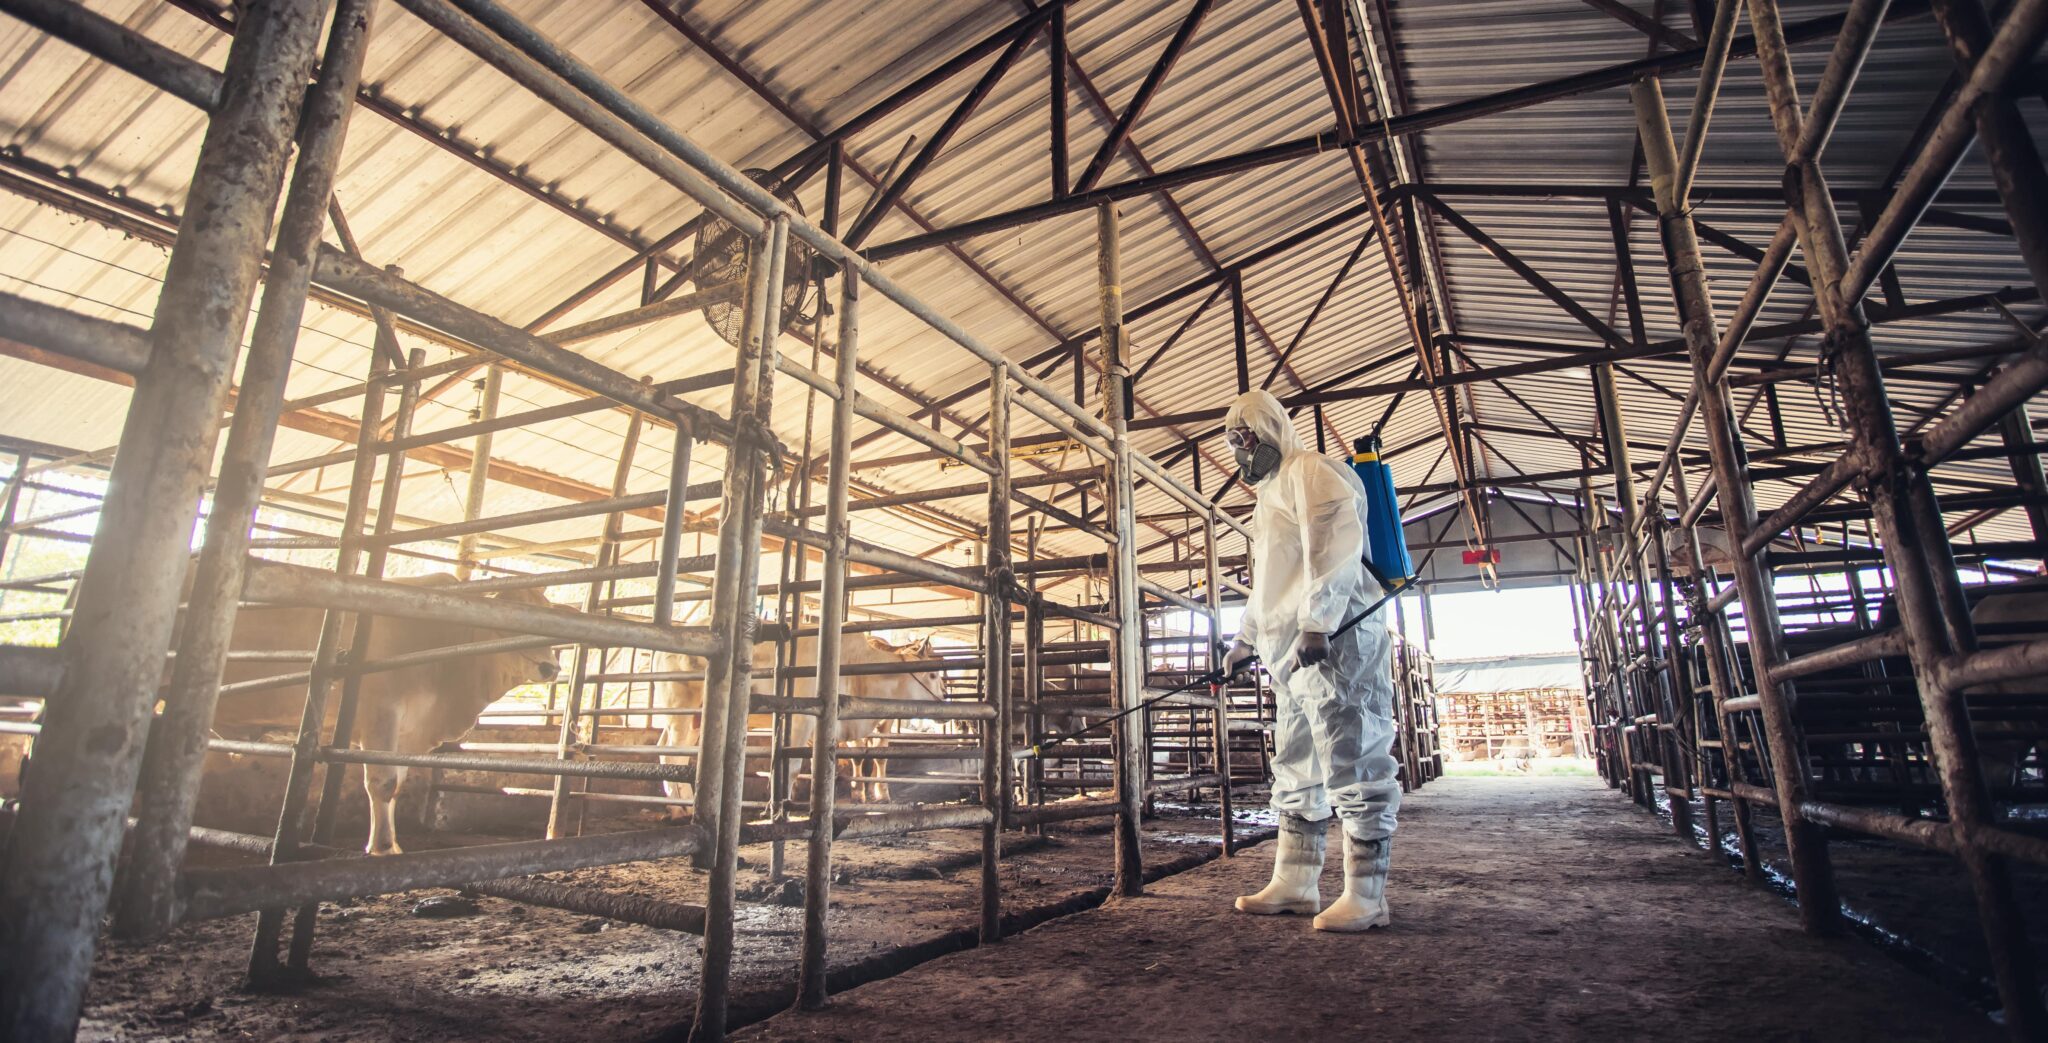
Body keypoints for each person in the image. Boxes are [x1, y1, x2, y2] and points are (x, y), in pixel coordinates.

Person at [1221, 389, 1400, 932]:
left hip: (1336, 642)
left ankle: (1367, 895)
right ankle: (1296, 881)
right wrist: (1246, 640)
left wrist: (1318, 621)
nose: (1241, 452)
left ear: (1270, 429)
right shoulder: (1268, 497)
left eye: (1245, 439)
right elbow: (1269, 582)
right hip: (1291, 653)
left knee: (1353, 750)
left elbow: (1332, 546)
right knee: (1297, 761)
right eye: (1235, 444)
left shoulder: (1312, 472)